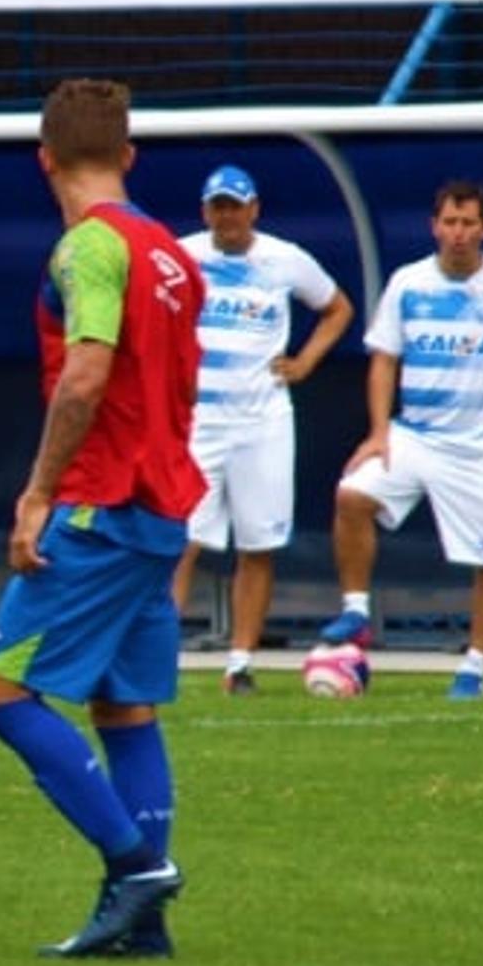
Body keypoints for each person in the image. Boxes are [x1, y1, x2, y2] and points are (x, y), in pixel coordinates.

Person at [0, 78, 205, 959]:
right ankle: (142, 926)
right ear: (129, 156)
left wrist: (38, 492)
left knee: (0, 693)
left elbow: (87, 371)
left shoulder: (89, 250)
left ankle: (136, 866)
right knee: (125, 707)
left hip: (100, 507)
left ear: (44, 159)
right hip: (161, 510)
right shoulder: (172, 253)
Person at [320, 180, 483, 699]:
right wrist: (378, 432)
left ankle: (475, 666)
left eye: (468, 223)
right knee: (352, 495)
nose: (458, 233)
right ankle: (356, 613)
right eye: (450, 222)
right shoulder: (408, 283)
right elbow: (384, 359)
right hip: (415, 435)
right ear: (434, 226)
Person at [171, 165, 354, 694]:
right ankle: (162, 653)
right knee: (182, 540)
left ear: (253, 209)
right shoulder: (184, 256)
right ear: (206, 212)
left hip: (262, 419)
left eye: (235, 206)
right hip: (200, 419)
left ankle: (240, 662)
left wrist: (305, 362)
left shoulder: (284, 259)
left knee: (258, 543)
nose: (227, 217)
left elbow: (337, 308)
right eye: (218, 207)